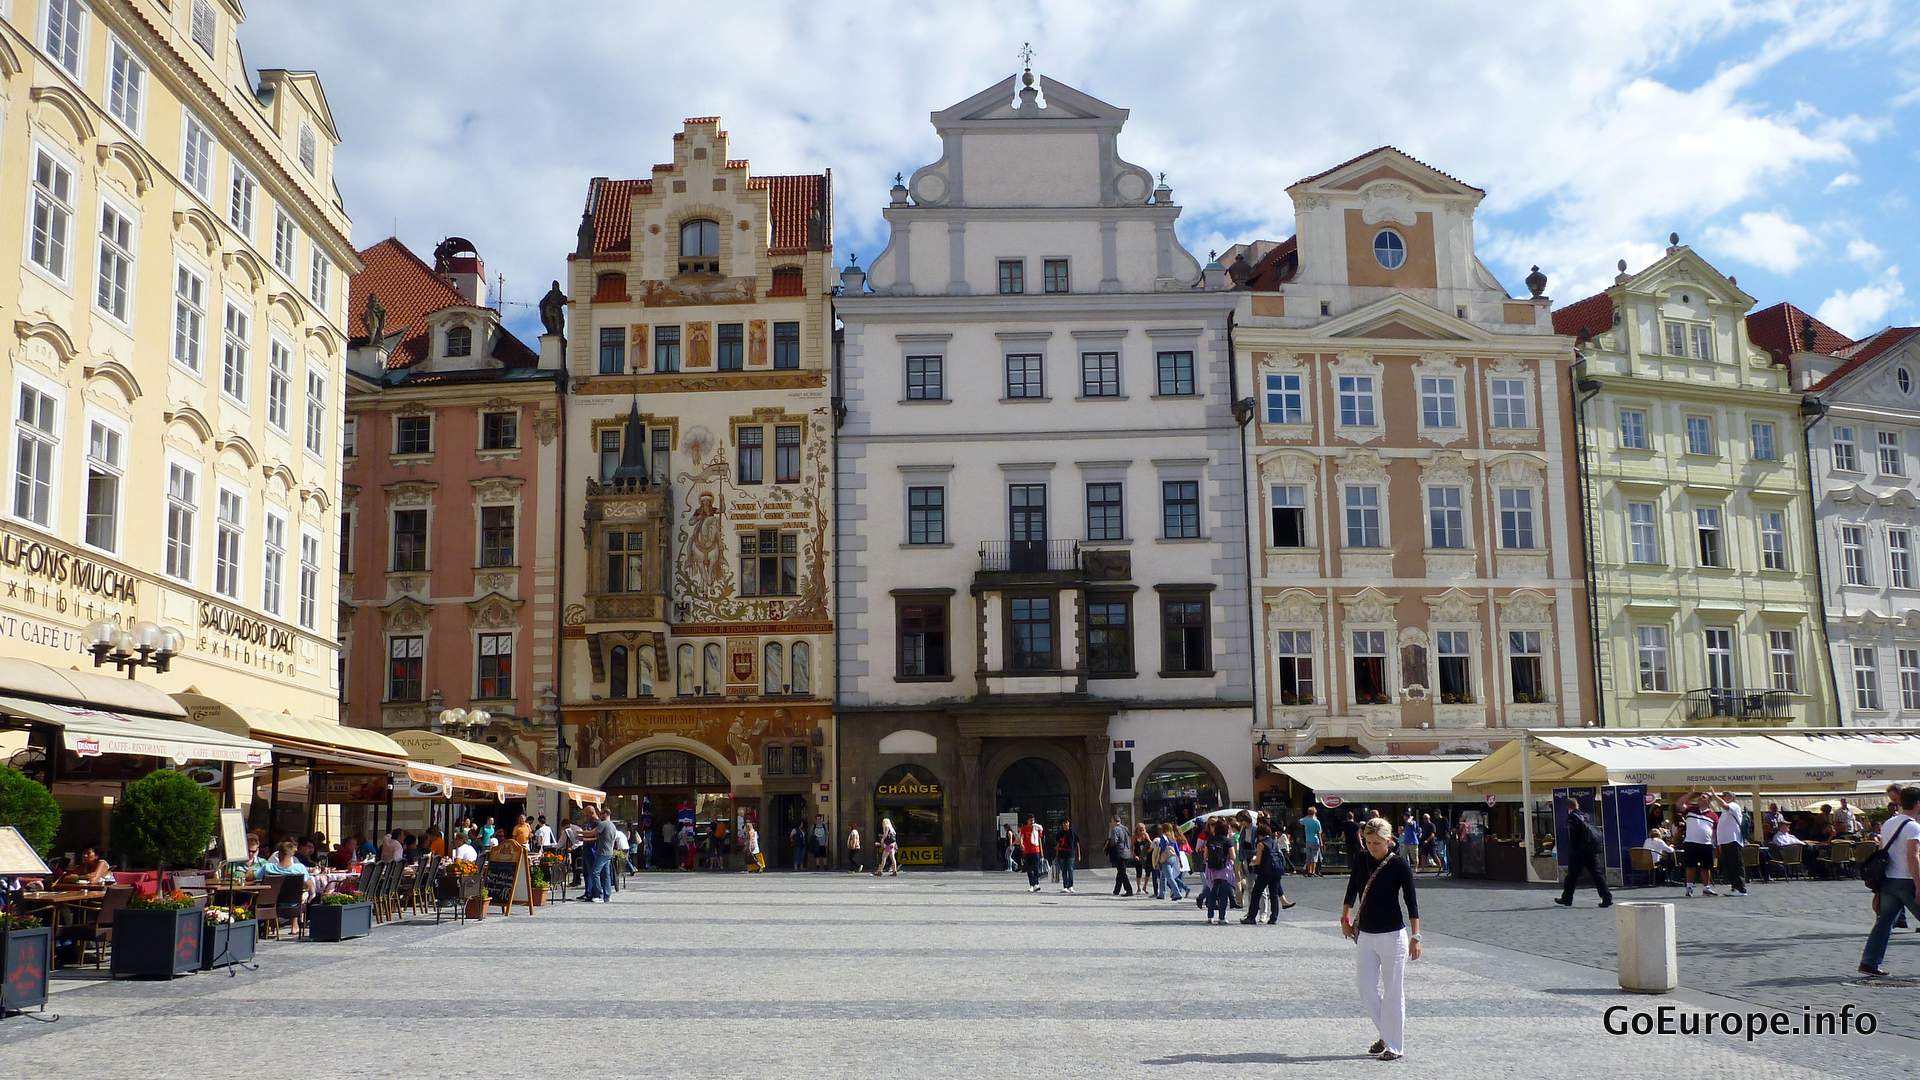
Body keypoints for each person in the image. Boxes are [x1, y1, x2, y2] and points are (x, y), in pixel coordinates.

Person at [1343, 816, 1422, 1061]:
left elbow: (1411, 901)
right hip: (1365, 933)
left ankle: (1395, 1046)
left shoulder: (1399, 865)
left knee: (1393, 991)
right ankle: (1386, 1034)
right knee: (1365, 988)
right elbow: (1352, 886)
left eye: (1377, 842)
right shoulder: (1360, 859)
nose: (1372, 847)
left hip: (1392, 935)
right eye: (1368, 842)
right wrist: (1344, 915)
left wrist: (1416, 936)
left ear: (1389, 841)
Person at [1859, 786, 1920, 978]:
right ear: (1917, 804)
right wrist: (1919, 885)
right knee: (1885, 922)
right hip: (1907, 881)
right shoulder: (1913, 826)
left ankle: (1869, 962)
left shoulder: (1889, 823)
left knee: (1884, 922)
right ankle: (1869, 963)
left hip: (1889, 880)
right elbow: (1913, 857)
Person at [1554, 796, 1612, 908]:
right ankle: (1607, 897)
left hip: (1579, 852)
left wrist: (1573, 850)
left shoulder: (1572, 818)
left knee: (1571, 876)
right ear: (1577, 805)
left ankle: (1567, 899)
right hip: (1591, 850)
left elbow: (1573, 836)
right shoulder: (1584, 816)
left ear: (1568, 807)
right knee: (1597, 875)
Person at [1242, 822, 1296, 924]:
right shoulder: (1274, 842)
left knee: (1256, 894)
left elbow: (1258, 861)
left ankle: (1251, 917)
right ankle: (1273, 918)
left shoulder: (1260, 844)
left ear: (1259, 833)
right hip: (1276, 871)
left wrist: (1252, 861)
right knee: (1274, 895)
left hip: (1264, 872)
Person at [1711, 791, 1748, 897]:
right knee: (1729, 866)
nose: (1723, 797)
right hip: (1725, 841)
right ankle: (1734, 887)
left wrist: (1714, 795)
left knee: (1736, 865)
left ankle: (1741, 889)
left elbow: (1723, 804)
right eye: (1723, 796)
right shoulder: (1724, 811)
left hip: (1733, 840)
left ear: (1732, 797)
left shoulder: (1734, 806)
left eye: (1725, 796)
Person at [1680, 794, 1717, 897]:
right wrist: (1690, 793)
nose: (1700, 798)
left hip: (1706, 844)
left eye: (1704, 797)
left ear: (1709, 801)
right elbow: (1679, 804)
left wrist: (1715, 844)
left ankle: (1706, 888)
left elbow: (1714, 832)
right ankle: (1689, 888)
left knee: (1706, 867)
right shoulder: (1691, 809)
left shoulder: (1713, 815)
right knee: (1690, 866)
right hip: (1691, 842)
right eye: (1700, 796)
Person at [1200, 819, 1236, 924]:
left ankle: (1210, 916)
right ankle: (1222, 917)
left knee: (1213, 892)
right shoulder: (1228, 841)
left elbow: (1205, 856)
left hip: (1212, 869)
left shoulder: (1210, 840)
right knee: (1223, 894)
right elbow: (1233, 856)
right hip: (1224, 869)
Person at [1155, 822, 1188, 902]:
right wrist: (1179, 860)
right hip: (1173, 858)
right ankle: (1161, 894)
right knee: (1163, 876)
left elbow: (1161, 848)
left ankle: (1177, 893)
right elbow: (1177, 850)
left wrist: (1158, 858)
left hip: (1166, 858)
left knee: (1169, 877)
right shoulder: (1173, 838)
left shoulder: (1163, 837)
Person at [1052, 817, 1079, 894]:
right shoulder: (1059, 834)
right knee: (1063, 870)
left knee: (1070, 869)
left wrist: (1079, 855)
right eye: (1064, 823)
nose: (1065, 824)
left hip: (1071, 854)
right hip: (1062, 855)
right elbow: (1057, 845)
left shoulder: (1072, 833)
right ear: (1062, 825)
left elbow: (1077, 844)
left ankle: (1071, 886)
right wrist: (1056, 855)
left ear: (1069, 823)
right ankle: (1065, 886)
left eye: (1066, 822)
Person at [1107, 816, 1133, 897]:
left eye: (1111, 821)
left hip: (1119, 852)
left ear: (1114, 821)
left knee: (1122, 872)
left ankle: (1129, 890)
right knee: (1120, 871)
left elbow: (1114, 841)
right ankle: (1116, 890)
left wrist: (1108, 844)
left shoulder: (1115, 829)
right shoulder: (1125, 828)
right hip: (1127, 852)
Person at [1019, 815, 1045, 892]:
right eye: (1031, 820)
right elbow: (1022, 837)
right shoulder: (1024, 828)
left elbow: (1039, 839)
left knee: (1036, 868)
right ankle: (1031, 885)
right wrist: (1021, 844)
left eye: (1033, 820)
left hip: (1036, 850)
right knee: (1029, 869)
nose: (1032, 822)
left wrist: (1041, 852)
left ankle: (1036, 884)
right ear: (1027, 821)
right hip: (1027, 851)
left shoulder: (1036, 828)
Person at [1131, 823, 1153, 896]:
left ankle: (1145, 887)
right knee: (1139, 872)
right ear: (1137, 829)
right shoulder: (1134, 837)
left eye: (1143, 829)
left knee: (1148, 872)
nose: (1141, 831)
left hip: (1146, 856)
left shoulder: (1146, 835)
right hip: (1138, 856)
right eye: (1140, 829)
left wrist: (1148, 839)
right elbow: (1132, 848)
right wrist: (1134, 855)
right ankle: (1138, 888)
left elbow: (1151, 844)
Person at [1302, 806, 1323, 877]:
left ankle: (1308, 870)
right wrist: (1321, 842)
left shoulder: (1306, 820)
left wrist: (1307, 816)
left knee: (1308, 856)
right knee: (1314, 856)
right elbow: (1319, 832)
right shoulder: (1317, 821)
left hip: (1308, 840)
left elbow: (1299, 821)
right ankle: (1313, 871)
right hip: (1315, 840)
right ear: (1315, 813)